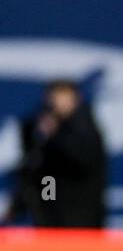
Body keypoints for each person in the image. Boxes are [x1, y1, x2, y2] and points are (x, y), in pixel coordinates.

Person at [3, 79, 107, 228]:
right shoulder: (39, 128)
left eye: (64, 96)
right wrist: (19, 204)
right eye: (54, 96)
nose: (58, 102)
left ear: (76, 99)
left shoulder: (85, 128)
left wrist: (55, 136)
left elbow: (81, 160)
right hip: (50, 209)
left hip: (81, 216)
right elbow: (37, 170)